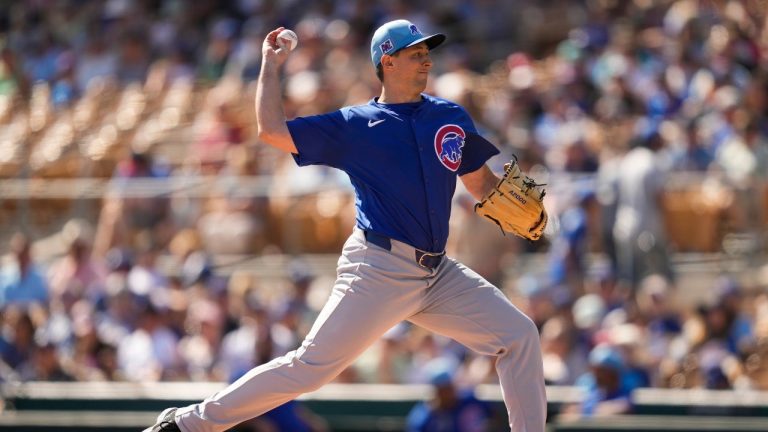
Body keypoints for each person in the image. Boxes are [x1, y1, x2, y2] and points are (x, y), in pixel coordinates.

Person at [145, 19, 546, 432]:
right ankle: (188, 424)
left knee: (518, 336)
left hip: (439, 272)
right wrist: (270, 64)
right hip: (379, 269)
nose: (427, 61)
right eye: (416, 54)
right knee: (308, 368)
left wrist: (519, 206)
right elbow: (272, 131)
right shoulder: (356, 124)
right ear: (387, 62)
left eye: (427, 53)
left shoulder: (448, 115)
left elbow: (480, 183)